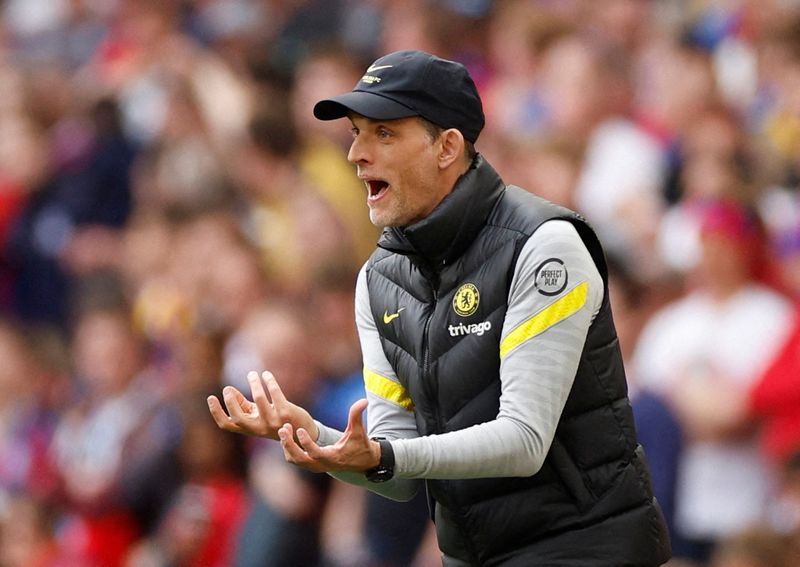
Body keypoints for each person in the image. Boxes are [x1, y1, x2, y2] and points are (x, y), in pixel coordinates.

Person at [208, 49, 671, 566]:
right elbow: (396, 470)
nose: (355, 153)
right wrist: (316, 439)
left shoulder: (545, 245)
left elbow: (524, 440)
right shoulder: (377, 280)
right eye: (356, 132)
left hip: (585, 551)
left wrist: (385, 455)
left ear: (447, 147)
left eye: (382, 133)